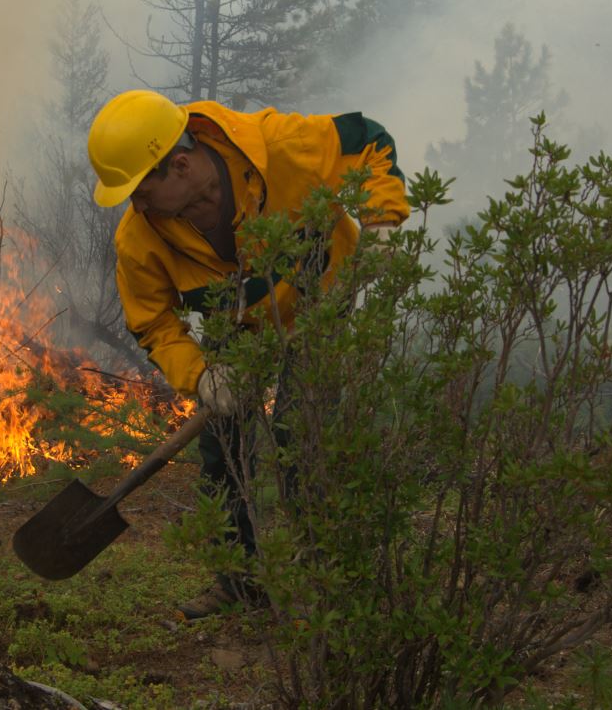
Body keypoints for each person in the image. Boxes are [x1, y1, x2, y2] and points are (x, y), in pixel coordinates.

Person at [86, 89, 409, 619]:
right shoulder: (139, 239)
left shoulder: (279, 147)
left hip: (320, 297)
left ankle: (323, 576)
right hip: (239, 324)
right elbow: (152, 322)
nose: (135, 204)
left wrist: (382, 222)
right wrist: (203, 375)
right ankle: (239, 585)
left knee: (298, 428)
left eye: (140, 190)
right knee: (220, 443)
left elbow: (368, 140)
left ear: (182, 165)